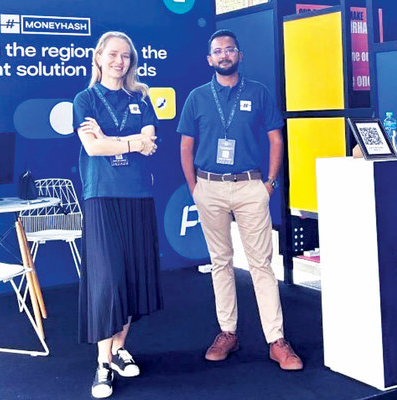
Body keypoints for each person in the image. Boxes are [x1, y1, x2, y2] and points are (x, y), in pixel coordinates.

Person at [177, 29, 303, 371]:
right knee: (220, 262)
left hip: (250, 187)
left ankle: (276, 340)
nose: (224, 55)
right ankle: (227, 333)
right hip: (209, 187)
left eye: (230, 49)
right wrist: (195, 188)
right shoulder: (197, 97)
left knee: (261, 264)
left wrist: (269, 183)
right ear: (209, 59)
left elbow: (276, 139)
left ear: (239, 55)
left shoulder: (259, 93)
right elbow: (186, 146)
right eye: (218, 51)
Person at [73, 31, 163, 399]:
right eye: (112, 54)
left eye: (125, 56)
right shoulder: (85, 99)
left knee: (131, 277)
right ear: (98, 57)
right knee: (108, 280)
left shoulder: (140, 97)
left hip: (138, 195)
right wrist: (130, 143)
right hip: (102, 195)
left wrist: (113, 141)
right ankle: (103, 363)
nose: (119, 61)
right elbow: (92, 148)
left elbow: (150, 143)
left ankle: (120, 348)